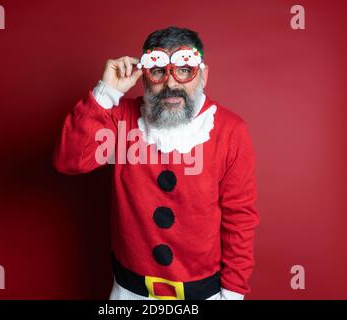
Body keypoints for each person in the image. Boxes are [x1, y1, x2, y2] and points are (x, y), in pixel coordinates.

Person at [53, 26, 260, 300]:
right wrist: (105, 93)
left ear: (203, 75)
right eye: (159, 71)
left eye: (185, 70)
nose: (171, 84)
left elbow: (239, 219)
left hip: (205, 295)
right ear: (144, 76)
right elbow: (70, 160)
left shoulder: (230, 130)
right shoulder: (121, 119)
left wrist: (232, 295)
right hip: (129, 292)